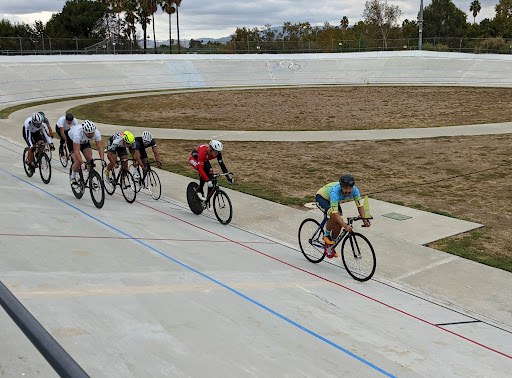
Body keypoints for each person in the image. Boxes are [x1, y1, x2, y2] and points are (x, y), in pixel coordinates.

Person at [315, 174, 371, 258]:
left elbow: (360, 206)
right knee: (335, 216)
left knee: (339, 222)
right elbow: (335, 214)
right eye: (345, 188)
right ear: (341, 187)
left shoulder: (355, 191)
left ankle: (331, 245)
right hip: (322, 198)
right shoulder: (335, 192)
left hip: (333, 200)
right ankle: (326, 235)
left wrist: (364, 220)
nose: (348, 191)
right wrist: (345, 225)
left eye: (350, 188)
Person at [68, 120, 104, 187]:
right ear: (84, 131)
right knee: (77, 162)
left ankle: (91, 179)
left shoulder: (96, 133)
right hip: (72, 141)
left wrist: (102, 160)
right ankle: (72, 178)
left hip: (85, 142)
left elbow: (100, 147)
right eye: (89, 134)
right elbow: (76, 151)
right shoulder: (77, 134)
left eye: (92, 133)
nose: (91, 135)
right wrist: (82, 164)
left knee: (90, 160)